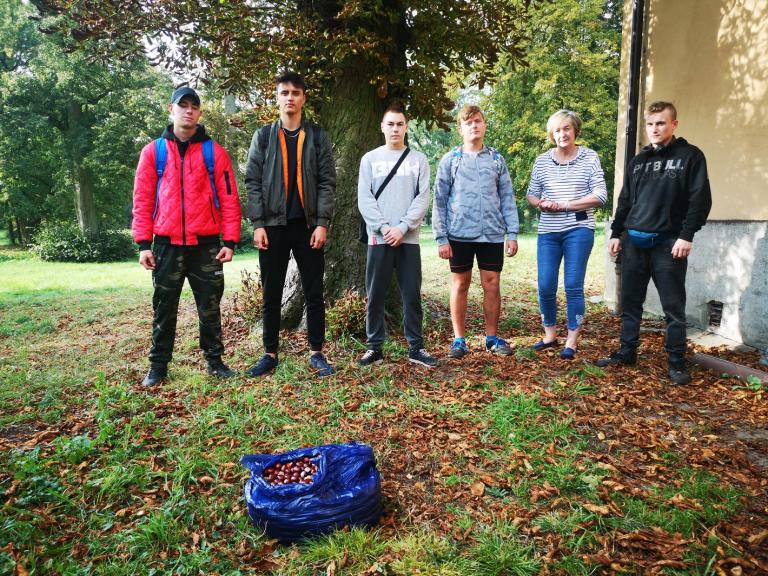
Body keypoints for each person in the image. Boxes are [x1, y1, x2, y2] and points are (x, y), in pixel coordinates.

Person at [132, 86, 242, 386]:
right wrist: (144, 244)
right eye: (183, 105)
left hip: (206, 246)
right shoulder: (153, 152)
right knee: (164, 308)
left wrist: (230, 241)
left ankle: (215, 362)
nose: (189, 110)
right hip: (166, 245)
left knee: (210, 307)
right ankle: (158, 366)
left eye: (194, 105)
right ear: (171, 109)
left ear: (200, 113)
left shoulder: (214, 153)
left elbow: (230, 198)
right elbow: (142, 199)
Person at [596, 101, 712, 385]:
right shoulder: (638, 161)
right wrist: (615, 233)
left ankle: (676, 361)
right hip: (634, 243)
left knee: (673, 307)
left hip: (668, 244)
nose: (654, 128)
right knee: (631, 304)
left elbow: (700, 199)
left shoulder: (690, 156)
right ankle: (627, 352)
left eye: (661, 123)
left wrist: (686, 235)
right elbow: (625, 201)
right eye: (650, 123)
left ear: (674, 124)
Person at [244, 72, 336, 377]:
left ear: (303, 98)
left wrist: (322, 223)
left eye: (296, 92)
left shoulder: (318, 136)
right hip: (272, 226)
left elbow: (327, 182)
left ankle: (317, 352)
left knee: (313, 291)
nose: (290, 97)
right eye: (284, 92)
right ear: (277, 97)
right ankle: (269, 353)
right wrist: (258, 224)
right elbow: (253, 182)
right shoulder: (264, 137)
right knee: (270, 292)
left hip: (308, 226)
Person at [432, 104, 520, 359]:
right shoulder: (451, 160)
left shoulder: (496, 159)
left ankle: (492, 338)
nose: (474, 125)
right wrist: (441, 237)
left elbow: (506, 197)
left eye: (478, 121)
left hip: (491, 234)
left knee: (492, 284)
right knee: (460, 284)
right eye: (468, 122)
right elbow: (439, 200)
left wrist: (512, 233)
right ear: (460, 128)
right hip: (459, 234)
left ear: (484, 125)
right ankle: (459, 340)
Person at [357, 104, 438, 368]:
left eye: (400, 124)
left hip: (408, 239)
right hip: (378, 239)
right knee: (375, 294)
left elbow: (422, 198)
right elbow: (364, 199)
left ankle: (416, 346)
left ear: (406, 127)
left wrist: (402, 228)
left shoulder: (419, 160)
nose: (395, 128)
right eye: (390, 124)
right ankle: (374, 347)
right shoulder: (369, 159)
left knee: (412, 295)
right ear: (382, 127)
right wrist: (383, 228)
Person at [526, 110, 608, 360]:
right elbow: (531, 195)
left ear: (575, 131)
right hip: (548, 232)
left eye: (567, 129)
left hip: (578, 230)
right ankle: (550, 334)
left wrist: (563, 204)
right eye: (557, 130)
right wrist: (541, 203)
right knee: (546, 284)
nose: (562, 134)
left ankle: (572, 340)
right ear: (552, 134)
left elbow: (600, 196)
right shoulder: (542, 161)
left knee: (573, 285)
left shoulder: (590, 158)